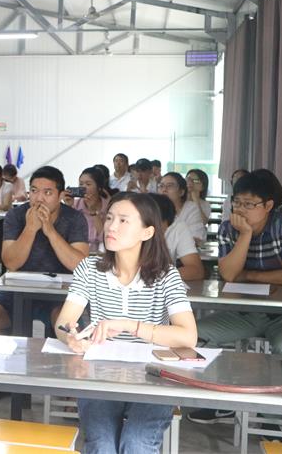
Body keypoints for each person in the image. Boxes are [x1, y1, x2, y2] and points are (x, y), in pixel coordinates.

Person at [55, 192, 197, 454]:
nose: (111, 227)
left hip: (154, 375)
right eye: (109, 218)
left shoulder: (167, 275)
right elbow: (64, 323)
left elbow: (188, 336)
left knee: (136, 444)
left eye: (123, 220)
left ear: (147, 232)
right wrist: (70, 336)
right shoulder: (89, 268)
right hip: (99, 373)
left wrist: (129, 325)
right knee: (102, 445)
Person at [188, 172, 282, 425]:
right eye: (237, 202)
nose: (241, 209)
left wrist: (250, 275)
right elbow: (229, 274)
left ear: (268, 205)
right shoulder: (228, 228)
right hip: (244, 313)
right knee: (194, 335)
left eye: (249, 204)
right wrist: (244, 235)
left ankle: (273, 415)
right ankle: (218, 401)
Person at [0, 166, 89, 404]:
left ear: (60, 195)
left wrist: (49, 231)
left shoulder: (74, 218)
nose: (39, 198)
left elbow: (79, 265)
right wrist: (30, 228)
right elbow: (11, 262)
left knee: (68, 324)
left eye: (48, 192)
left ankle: (69, 385)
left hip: (61, 295)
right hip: (18, 291)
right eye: (34, 191)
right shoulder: (17, 216)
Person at [149, 193, 204, 281]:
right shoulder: (129, 228)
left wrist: (160, 277)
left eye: (161, 228)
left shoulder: (177, 226)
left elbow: (197, 270)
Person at [61, 167, 111, 252]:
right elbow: (65, 233)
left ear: (99, 187)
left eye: (88, 184)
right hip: (77, 251)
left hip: (100, 253)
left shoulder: (109, 207)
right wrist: (68, 206)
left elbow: (105, 238)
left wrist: (93, 212)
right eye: (81, 184)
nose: (83, 187)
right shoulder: (75, 205)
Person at [158, 173, 206, 243]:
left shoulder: (191, 209)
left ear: (181, 192)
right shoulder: (153, 208)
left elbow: (196, 238)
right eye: (161, 186)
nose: (164, 189)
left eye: (170, 186)